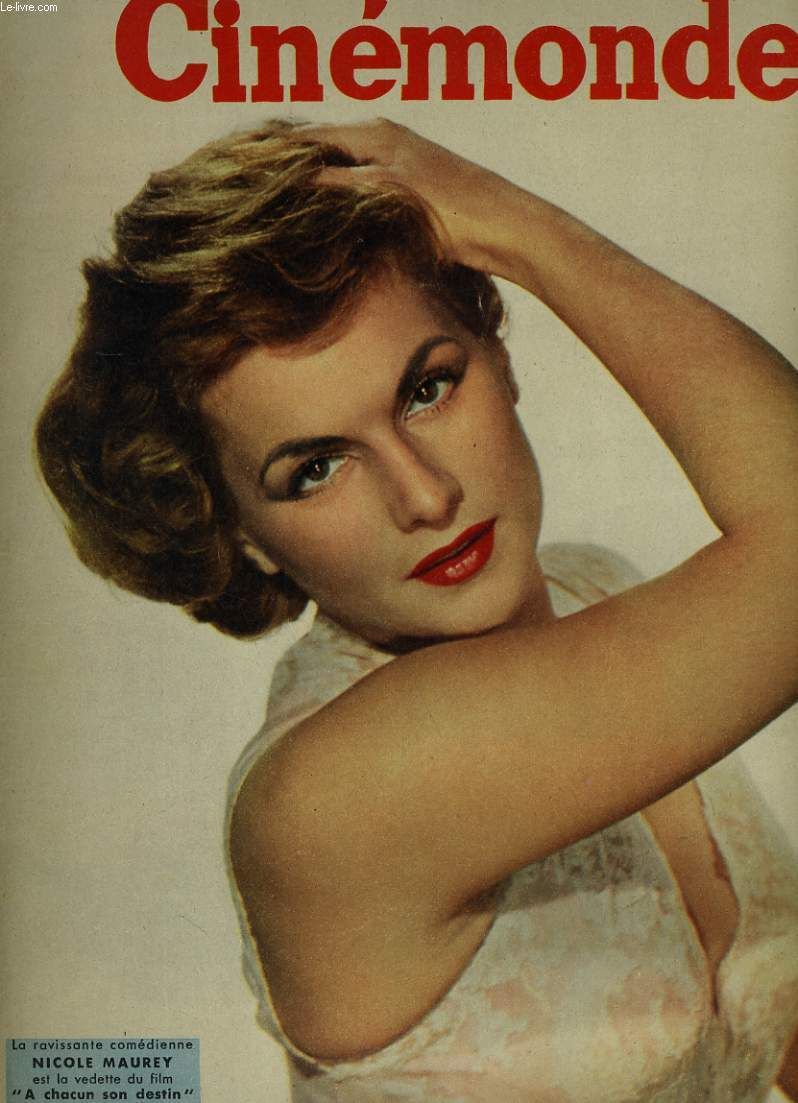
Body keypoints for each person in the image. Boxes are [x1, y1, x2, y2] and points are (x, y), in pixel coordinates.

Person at [36, 119, 798, 1101]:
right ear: (243, 534)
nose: (426, 494)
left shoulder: (595, 587)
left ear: (498, 352)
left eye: (428, 387)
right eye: (316, 467)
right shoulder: (332, 795)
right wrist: (525, 228)